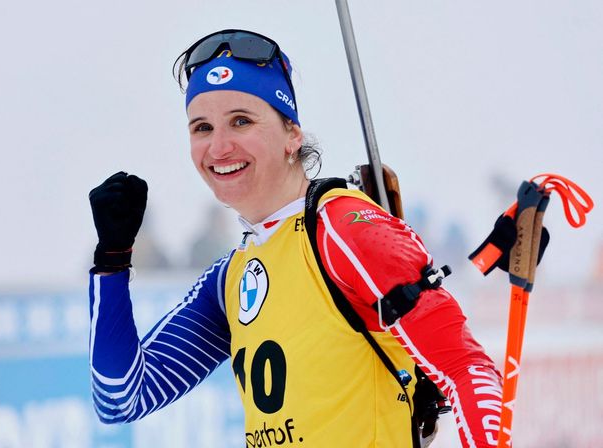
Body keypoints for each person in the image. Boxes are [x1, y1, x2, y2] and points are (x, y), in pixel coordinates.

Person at [88, 29, 503, 448]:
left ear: (292, 134)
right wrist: (112, 260)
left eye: (241, 121)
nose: (218, 147)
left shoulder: (344, 228)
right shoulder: (230, 277)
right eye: (202, 127)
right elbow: (120, 398)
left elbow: (467, 368)